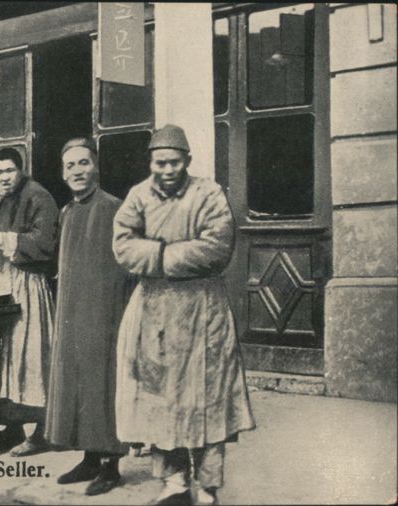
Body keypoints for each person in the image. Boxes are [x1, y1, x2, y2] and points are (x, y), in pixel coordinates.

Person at [112, 125, 256, 505]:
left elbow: (216, 248)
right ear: (150, 162)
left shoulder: (208, 193)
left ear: (187, 162)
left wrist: (157, 255)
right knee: (161, 399)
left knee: (209, 398)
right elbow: (123, 247)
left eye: (174, 162)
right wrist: (169, 255)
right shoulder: (137, 196)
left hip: (204, 310)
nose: (166, 169)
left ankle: (207, 487)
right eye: (159, 162)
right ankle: (174, 481)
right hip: (155, 310)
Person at [45, 138, 135, 496]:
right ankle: (88, 457)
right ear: (64, 174)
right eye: (70, 166)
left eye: (83, 163)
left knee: (103, 383)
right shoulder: (67, 213)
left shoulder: (115, 208)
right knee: (77, 383)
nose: (77, 171)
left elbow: (128, 264)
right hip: (72, 311)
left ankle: (111, 465)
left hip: (105, 312)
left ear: (95, 167)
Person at [0, 147, 58, 457]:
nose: (4, 177)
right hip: (0, 286)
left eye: (9, 171)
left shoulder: (39, 196)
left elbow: (45, 244)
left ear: (21, 170)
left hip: (27, 287)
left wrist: (2, 239)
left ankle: (45, 431)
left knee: (31, 359)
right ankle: (13, 427)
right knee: (5, 361)